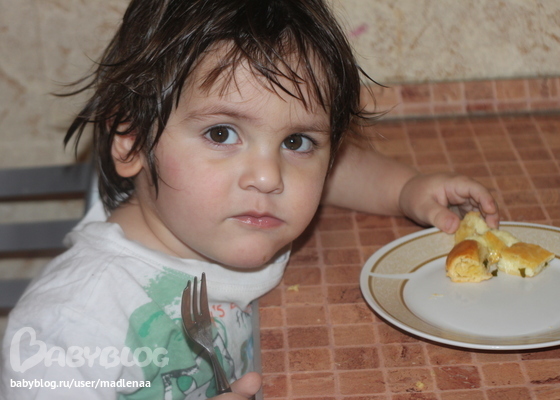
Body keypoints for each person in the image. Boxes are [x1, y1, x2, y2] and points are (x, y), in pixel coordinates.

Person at [0, 0, 499, 399]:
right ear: (131, 143)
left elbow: (333, 171)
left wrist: (406, 190)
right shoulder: (73, 326)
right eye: (221, 133)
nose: (268, 176)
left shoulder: (220, 214)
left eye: (295, 141)